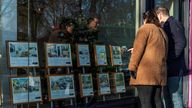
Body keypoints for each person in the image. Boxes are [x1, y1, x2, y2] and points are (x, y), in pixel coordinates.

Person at [128, 11, 168, 108]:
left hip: (146, 74)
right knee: (157, 100)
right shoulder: (161, 32)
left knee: (145, 102)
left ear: (145, 19)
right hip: (158, 74)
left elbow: (138, 50)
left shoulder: (145, 29)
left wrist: (132, 67)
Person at [155, 6, 186, 108]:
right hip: (167, 70)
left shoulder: (174, 23)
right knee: (166, 98)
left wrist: (169, 58)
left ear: (159, 15)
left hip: (175, 69)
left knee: (175, 98)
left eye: (156, 16)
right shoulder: (165, 25)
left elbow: (181, 43)